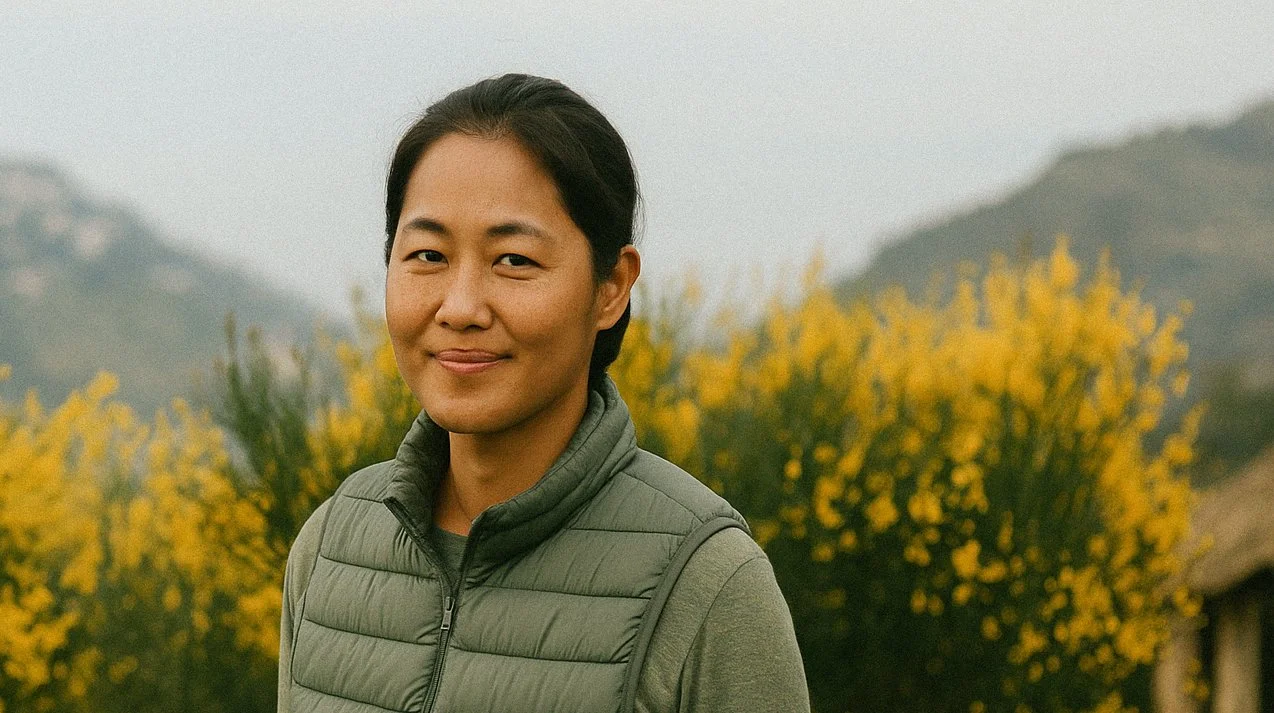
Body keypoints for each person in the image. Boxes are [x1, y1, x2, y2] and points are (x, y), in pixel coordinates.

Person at [277, 73, 810, 713]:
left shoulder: (706, 582)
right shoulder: (331, 547)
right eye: (426, 255)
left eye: (515, 261)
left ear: (611, 285)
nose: (462, 307)